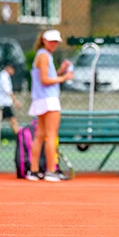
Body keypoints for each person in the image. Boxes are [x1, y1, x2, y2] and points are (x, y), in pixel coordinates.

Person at [26, 29, 74, 182]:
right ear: (44, 41)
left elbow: (47, 77)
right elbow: (45, 80)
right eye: (51, 41)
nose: (54, 44)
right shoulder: (44, 56)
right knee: (51, 135)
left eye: (56, 42)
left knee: (40, 135)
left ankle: (33, 171)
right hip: (48, 100)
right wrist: (65, 77)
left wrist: (60, 72)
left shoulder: (43, 55)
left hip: (41, 99)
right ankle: (51, 171)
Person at [0, 63, 22, 135]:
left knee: (9, 120)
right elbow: (8, 91)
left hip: (4, 103)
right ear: (9, 68)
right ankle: (19, 137)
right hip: (3, 103)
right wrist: (16, 102)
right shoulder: (4, 76)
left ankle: (19, 136)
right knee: (13, 120)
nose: (13, 72)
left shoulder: (5, 76)